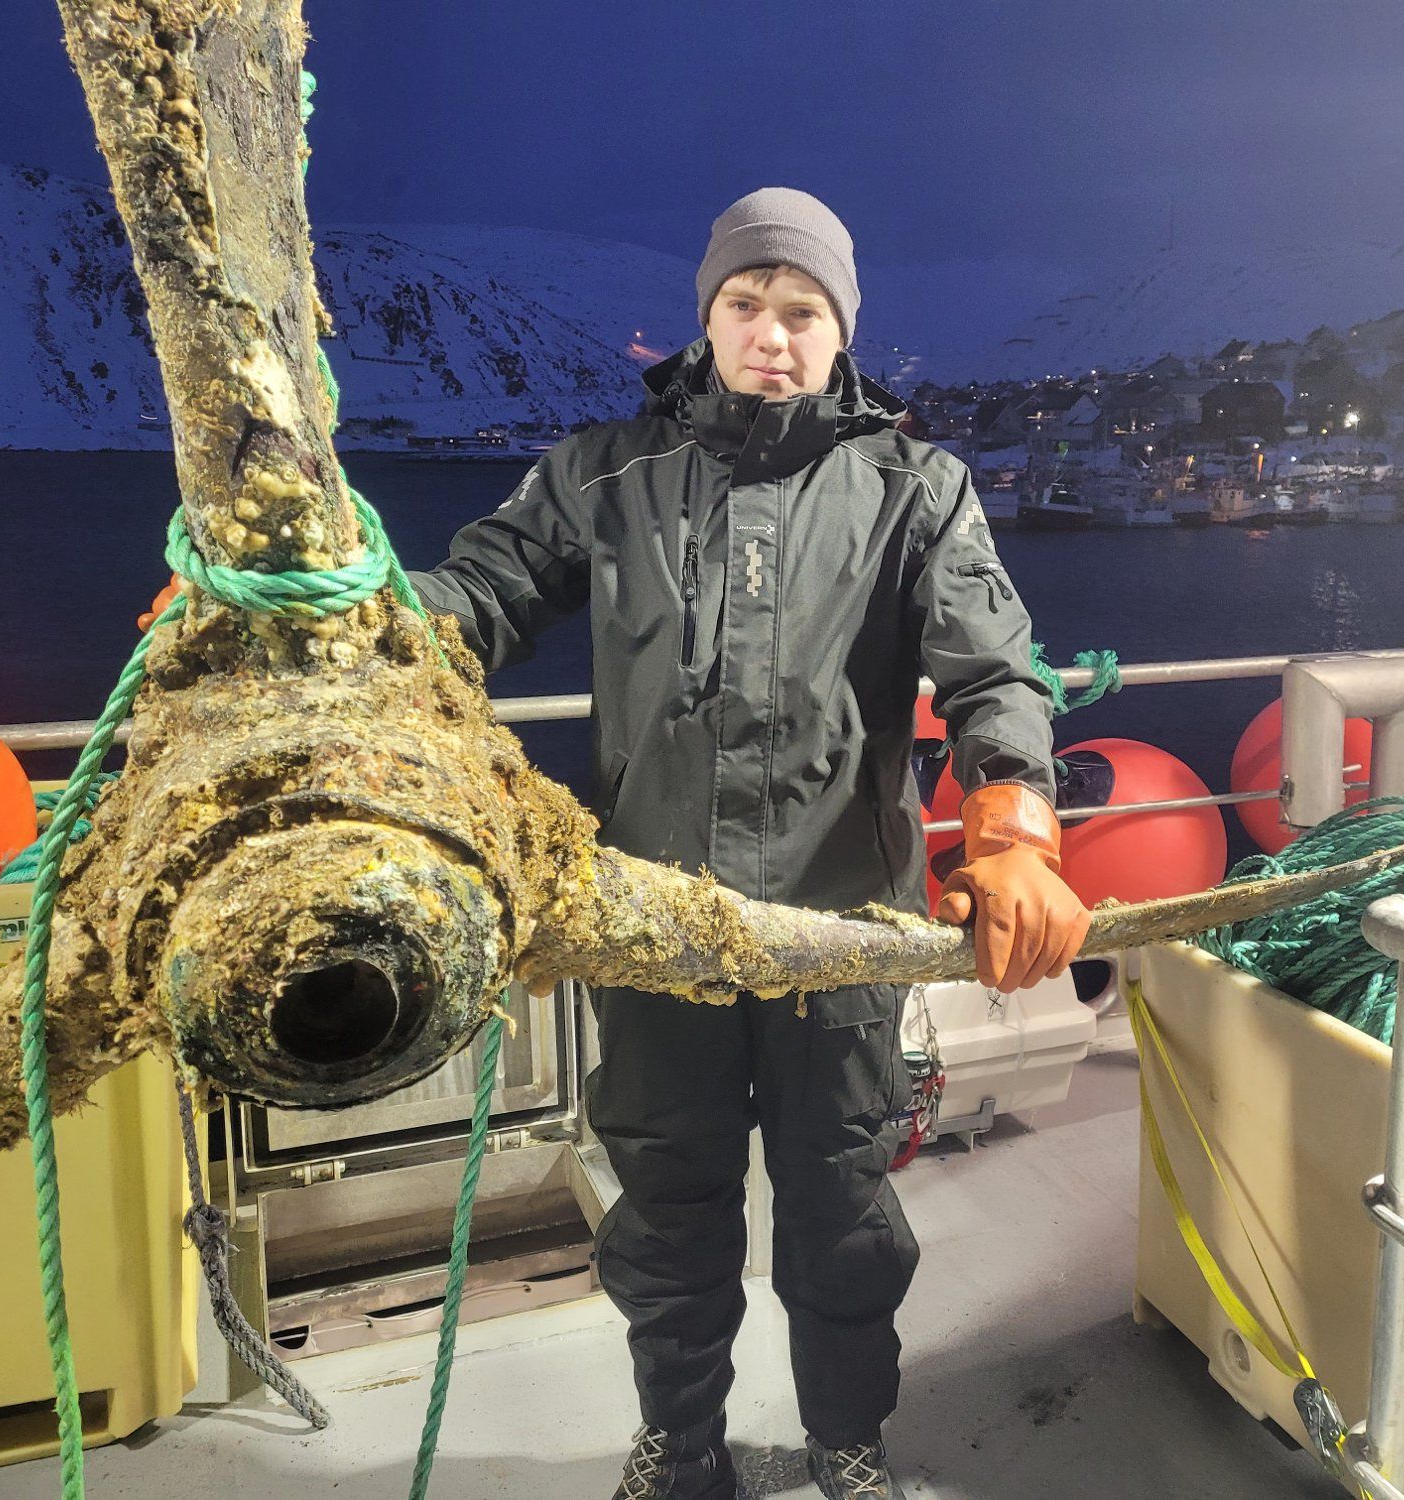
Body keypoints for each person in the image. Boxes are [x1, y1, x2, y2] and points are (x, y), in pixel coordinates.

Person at [408, 187, 1089, 1500]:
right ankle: (682, 1448)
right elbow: (479, 593)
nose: (773, 335)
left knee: (843, 1209)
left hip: (843, 932)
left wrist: (1012, 827)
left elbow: (994, 673)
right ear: (708, 317)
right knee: (667, 1212)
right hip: (657, 931)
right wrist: (330, 619)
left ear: (842, 332)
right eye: (747, 304)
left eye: (803, 311)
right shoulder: (604, 475)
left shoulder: (915, 489)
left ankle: (848, 1442)